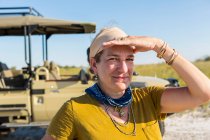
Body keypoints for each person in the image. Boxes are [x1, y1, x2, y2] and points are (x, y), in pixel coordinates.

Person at [42, 27, 210, 140]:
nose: (123, 68)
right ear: (94, 65)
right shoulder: (74, 110)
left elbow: (204, 92)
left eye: (129, 59)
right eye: (113, 59)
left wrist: (159, 47)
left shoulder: (148, 99)